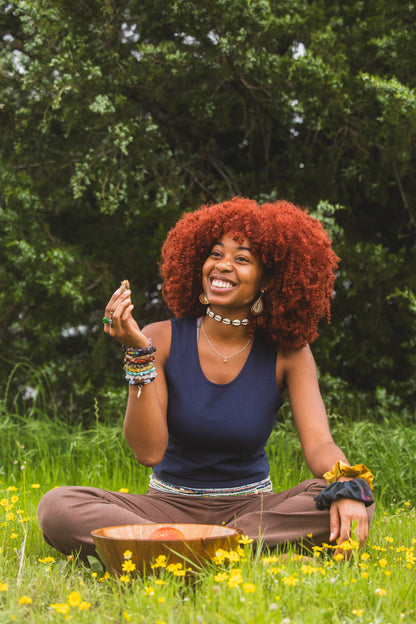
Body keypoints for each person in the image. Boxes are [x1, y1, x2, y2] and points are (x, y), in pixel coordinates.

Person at [37, 197, 374, 562]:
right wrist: (139, 355)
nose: (223, 265)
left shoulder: (289, 352)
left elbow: (320, 443)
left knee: (353, 498)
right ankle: (222, 550)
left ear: (267, 281)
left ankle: (168, 549)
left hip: (253, 511)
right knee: (58, 505)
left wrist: (345, 483)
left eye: (242, 259)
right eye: (215, 254)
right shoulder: (160, 338)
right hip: (166, 508)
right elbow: (147, 452)